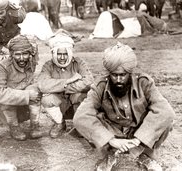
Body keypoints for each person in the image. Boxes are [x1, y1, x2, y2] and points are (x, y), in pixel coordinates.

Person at [73, 42, 175, 171]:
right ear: (109, 73)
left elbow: (165, 111)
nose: (119, 80)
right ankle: (108, 155)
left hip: (138, 132)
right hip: (113, 132)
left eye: (123, 75)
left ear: (130, 73)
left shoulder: (144, 83)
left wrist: (139, 139)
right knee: (89, 121)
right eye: (115, 75)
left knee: (167, 121)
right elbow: (80, 117)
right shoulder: (100, 86)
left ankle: (146, 155)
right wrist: (110, 140)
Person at [37, 33, 94, 138]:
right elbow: (42, 85)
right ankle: (59, 123)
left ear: (70, 53)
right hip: (60, 104)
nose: (62, 57)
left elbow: (89, 82)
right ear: (53, 53)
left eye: (65, 54)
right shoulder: (48, 65)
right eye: (59, 54)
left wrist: (64, 88)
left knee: (81, 96)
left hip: (75, 104)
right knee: (47, 99)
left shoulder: (79, 63)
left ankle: (79, 125)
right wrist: (68, 81)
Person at [0, 34, 42, 141]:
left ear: (30, 53)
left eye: (25, 54)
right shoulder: (3, 66)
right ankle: (14, 127)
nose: (22, 58)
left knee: (35, 90)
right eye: (18, 54)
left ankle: (35, 125)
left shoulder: (31, 63)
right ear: (11, 54)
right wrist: (26, 95)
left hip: (24, 107)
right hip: (7, 109)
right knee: (11, 96)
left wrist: (32, 91)